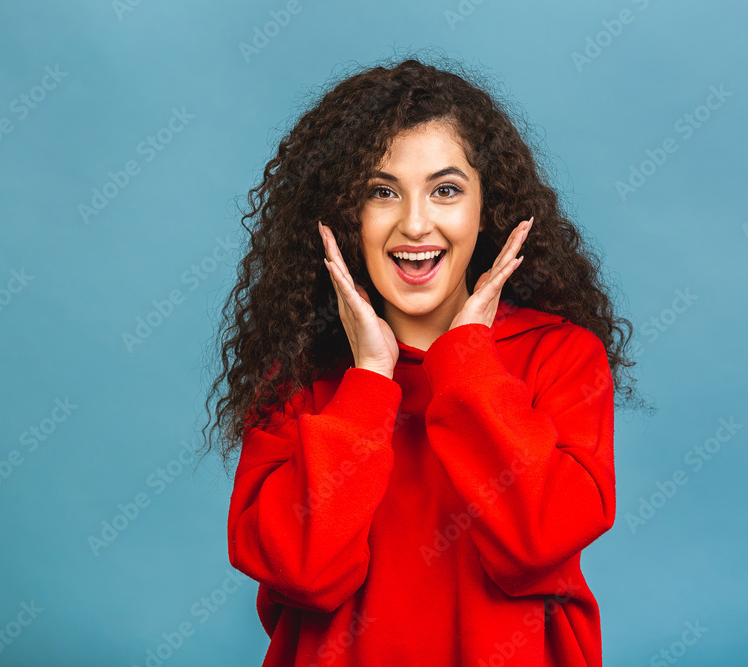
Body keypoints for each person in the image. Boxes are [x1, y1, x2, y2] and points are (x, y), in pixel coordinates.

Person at [202, 53, 644, 666]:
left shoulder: (562, 356)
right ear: (342, 216)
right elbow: (302, 571)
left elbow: (536, 542)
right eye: (382, 192)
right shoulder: (300, 374)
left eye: (445, 190)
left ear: (486, 206)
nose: (415, 223)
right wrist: (368, 384)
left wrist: (465, 362)